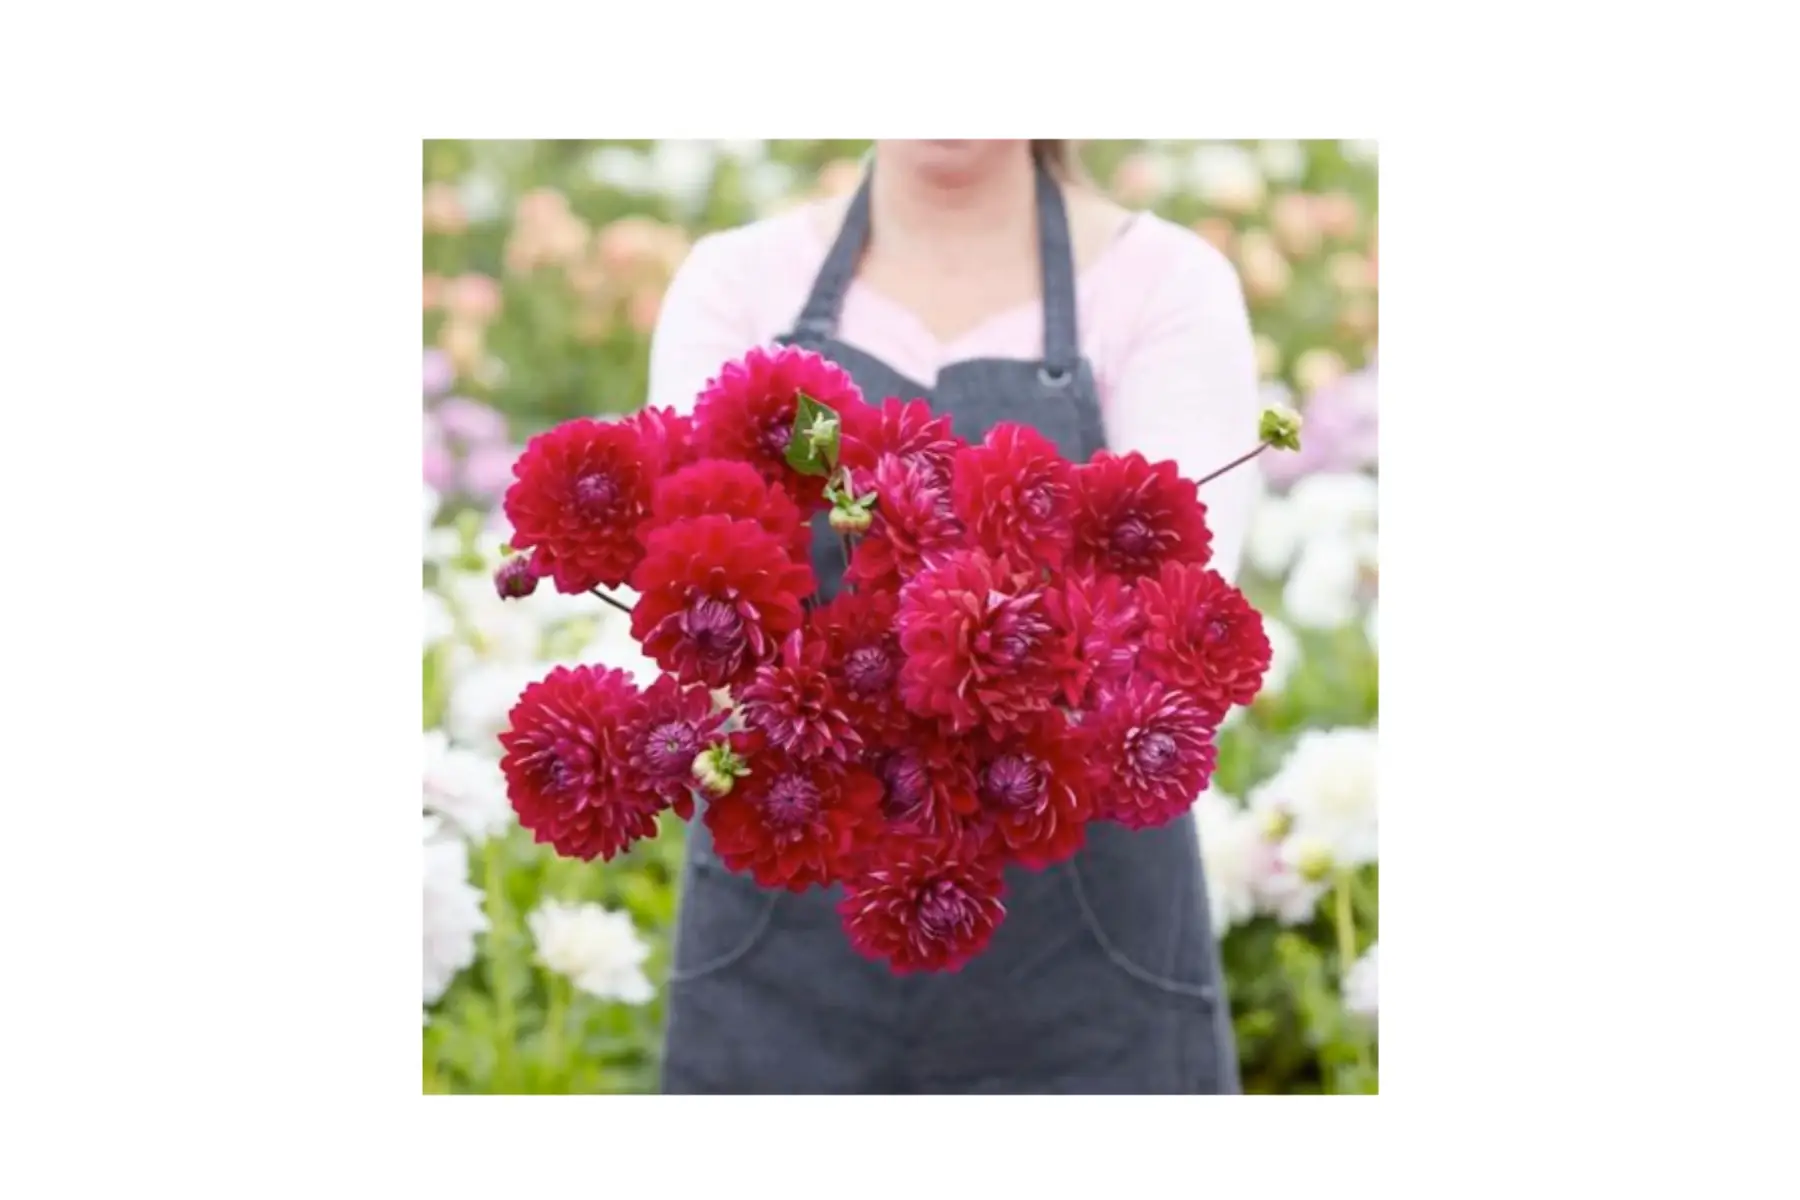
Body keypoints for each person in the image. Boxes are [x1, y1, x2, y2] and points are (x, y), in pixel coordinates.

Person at [645, 139, 1261, 1094]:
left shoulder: (1163, 284)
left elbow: (1177, 632)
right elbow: (684, 595)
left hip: (1087, 968)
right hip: (785, 937)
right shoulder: (739, 284)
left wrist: (944, 664)